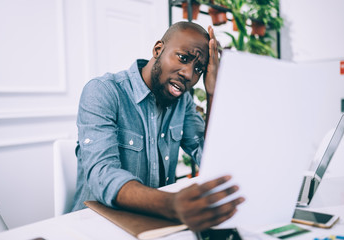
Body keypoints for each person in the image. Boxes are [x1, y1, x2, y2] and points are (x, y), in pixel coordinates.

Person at [72, 21, 245, 232]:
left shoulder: (183, 101)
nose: (189, 75)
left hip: (155, 224)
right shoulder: (104, 92)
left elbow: (207, 156)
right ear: (158, 50)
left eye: (198, 69)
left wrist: (213, 93)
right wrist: (171, 204)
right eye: (183, 58)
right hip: (95, 227)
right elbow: (103, 174)